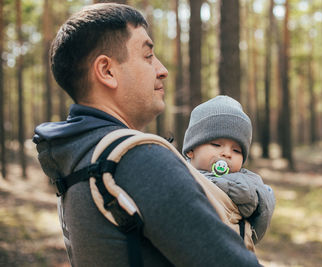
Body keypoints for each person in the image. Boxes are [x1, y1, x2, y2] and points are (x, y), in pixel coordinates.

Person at [33, 3, 263, 267]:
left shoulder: (78, 152)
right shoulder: (137, 159)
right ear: (107, 71)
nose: (162, 69)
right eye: (148, 56)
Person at [182, 95, 275, 245]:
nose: (227, 153)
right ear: (190, 150)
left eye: (237, 150)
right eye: (216, 144)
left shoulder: (250, 185)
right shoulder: (176, 175)